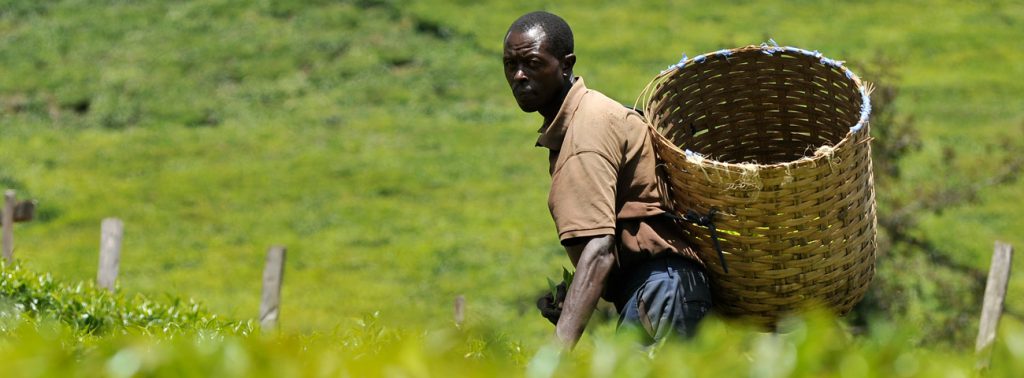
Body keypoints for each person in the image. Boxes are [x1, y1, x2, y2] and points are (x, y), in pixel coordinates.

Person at [502, 11, 713, 348]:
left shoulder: (586, 131)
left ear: (566, 64)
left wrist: (555, 355)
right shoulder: (584, 121)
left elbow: (600, 250)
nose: (519, 75)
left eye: (532, 63)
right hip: (664, 292)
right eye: (510, 65)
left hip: (662, 293)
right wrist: (573, 299)